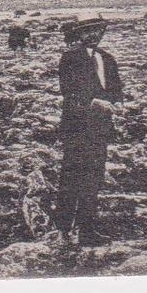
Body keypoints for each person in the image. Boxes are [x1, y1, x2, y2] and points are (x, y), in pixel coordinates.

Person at [55, 17, 123, 246]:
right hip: (76, 128)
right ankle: (63, 231)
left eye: (96, 31)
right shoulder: (70, 58)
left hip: (100, 129)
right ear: (79, 34)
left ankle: (87, 230)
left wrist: (118, 103)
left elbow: (116, 90)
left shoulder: (108, 59)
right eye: (87, 32)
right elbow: (68, 91)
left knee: (93, 179)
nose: (92, 35)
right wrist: (94, 103)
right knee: (71, 178)